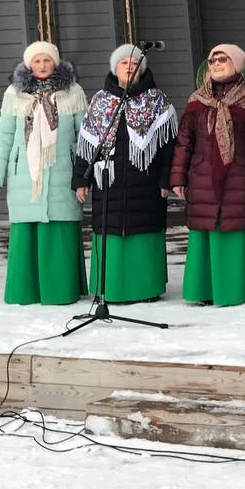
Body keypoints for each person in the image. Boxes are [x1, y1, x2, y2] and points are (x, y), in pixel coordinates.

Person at [0, 41, 88, 305]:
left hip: (63, 170)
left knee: (59, 225)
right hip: (25, 174)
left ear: (55, 63)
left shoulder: (72, 92)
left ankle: (60, 291)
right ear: (29, 65)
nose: (42, 66)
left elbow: (86, 136)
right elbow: (4, 136)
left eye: (47, 61)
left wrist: (84, 176)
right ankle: (26, 291)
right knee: (26, 231)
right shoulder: (14, 94)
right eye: (37, 61)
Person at [72, 45, 178, 303]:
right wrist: (80, 179)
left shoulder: (157, 100)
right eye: (123, 63)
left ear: (141, 70)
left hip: (146, 182)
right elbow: (86, 144)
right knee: (109, 233)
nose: (129, 66)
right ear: (114, 68)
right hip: (108, 181)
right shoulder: (100, 101)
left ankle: (146, 289)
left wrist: (167, 179)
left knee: (144, 231)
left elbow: (169, 146)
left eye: (134, 63)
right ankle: (110, 289)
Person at [170, 44, 245, 307]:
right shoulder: (196, 101)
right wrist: (178, 177)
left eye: (222, 60)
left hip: (241, 176)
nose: (215, 64)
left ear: (236, 64)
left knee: (236, 229)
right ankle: (204, 290)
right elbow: (184, 143)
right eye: (212, 60)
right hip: (201, 175)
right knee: (205, 230)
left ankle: (239, 289)